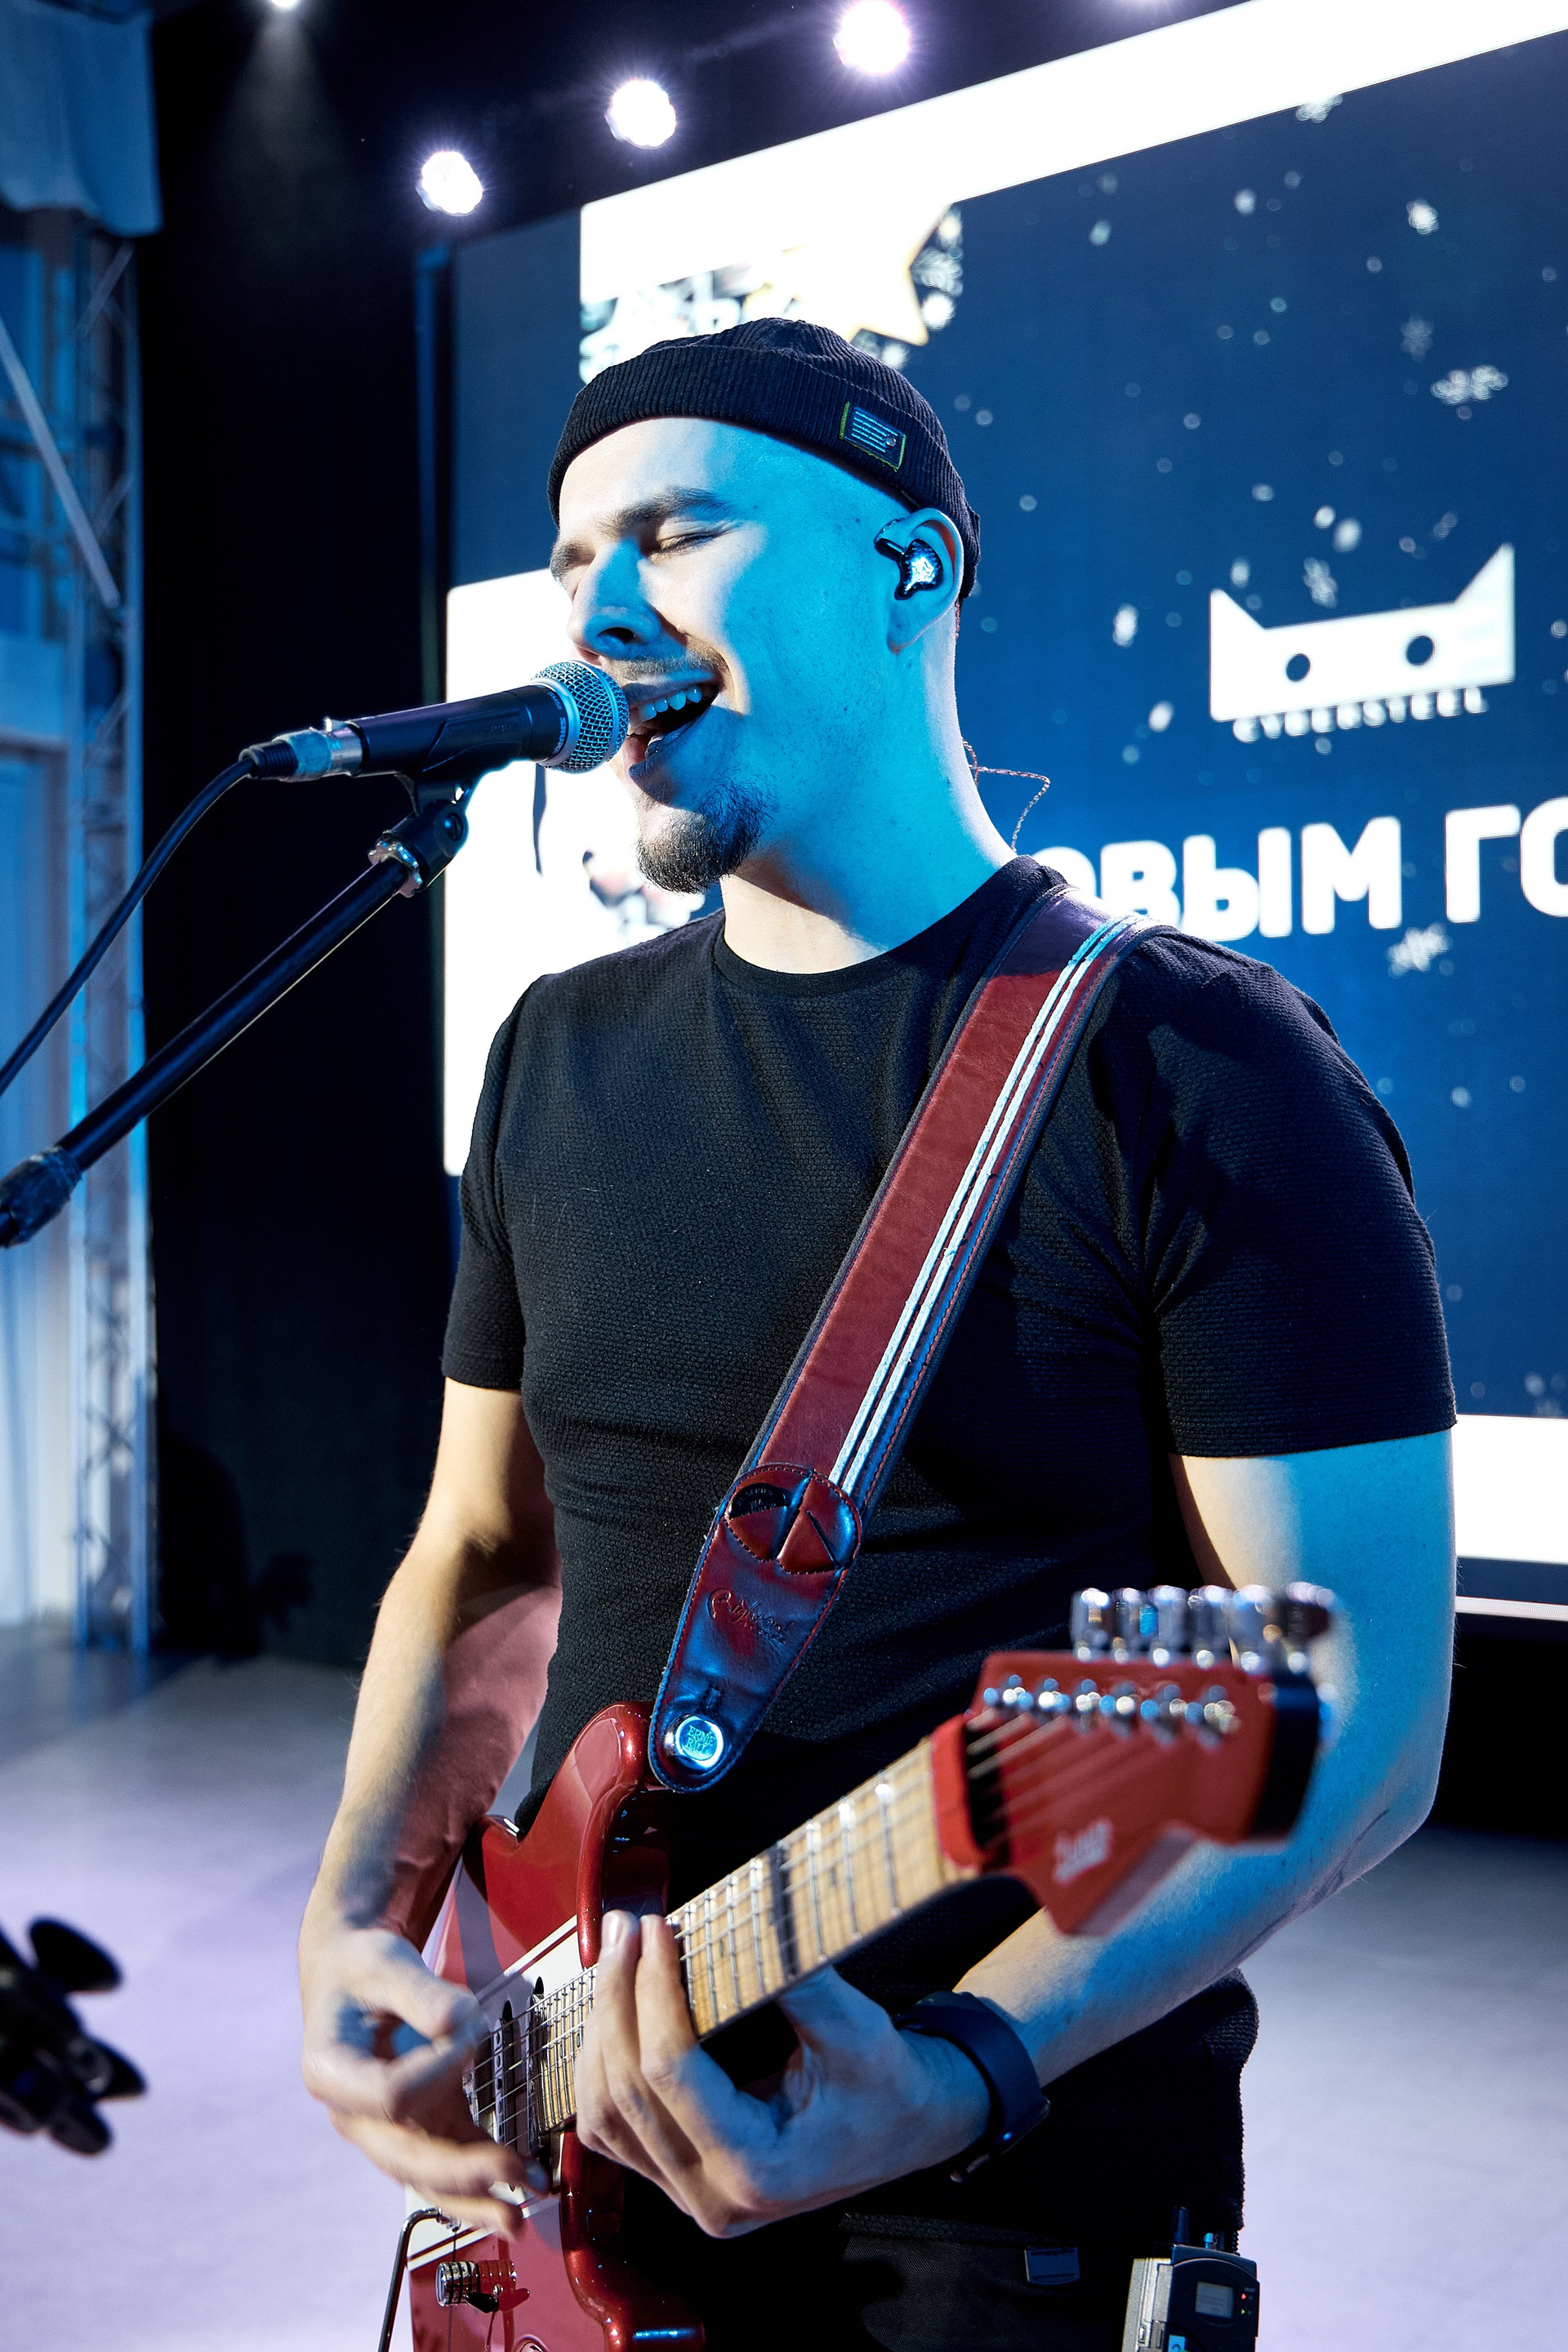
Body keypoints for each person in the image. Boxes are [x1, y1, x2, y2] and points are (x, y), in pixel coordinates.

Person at [299, 320, 1455, 2350]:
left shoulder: (1193, 1067)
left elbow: (1358, 1718)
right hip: (566, 2170)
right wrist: (357, 1917)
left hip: (998, 2226)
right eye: (574, 564)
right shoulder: (557, 1055)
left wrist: (964, 2064)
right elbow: (485, 1553)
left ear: (912, 567)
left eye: (676, 535)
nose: (606, 614)